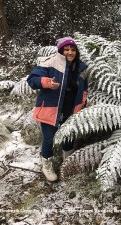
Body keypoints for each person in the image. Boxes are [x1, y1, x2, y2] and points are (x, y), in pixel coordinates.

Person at [27, 36, 88, 182]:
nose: (70, 52)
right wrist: (47, 82)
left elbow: (84, 87)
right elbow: (32, 79)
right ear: (61, 50)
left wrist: (84, 100)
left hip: (71, 109)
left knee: (69, 136)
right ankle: (46, 165)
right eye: (66, 49)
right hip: (50, 109)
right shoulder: (49, 63)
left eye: (73, 49)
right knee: (49, 139)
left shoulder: (80, 67)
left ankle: (67, 161)